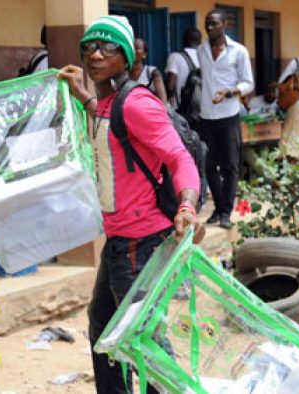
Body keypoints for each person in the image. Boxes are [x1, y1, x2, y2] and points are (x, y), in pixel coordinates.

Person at [58, 15, 205, 394]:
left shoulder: (137, 103)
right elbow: (105, 117)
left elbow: (179, 158)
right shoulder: (107, 103)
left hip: (142, 242)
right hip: (119, 242)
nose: (95, 54)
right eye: (89, 46)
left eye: (108, 47)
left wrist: (187, 206)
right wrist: (83, 95)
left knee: (145, 341)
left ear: (126, 58)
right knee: (105, 326)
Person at [198, 9, 254, 229]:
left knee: (230, 166)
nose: (209, 28)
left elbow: (248, 83)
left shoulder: (238, 51)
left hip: (229, 115)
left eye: (214, 24)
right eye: (207, 24)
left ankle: (226, 212)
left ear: (225, 24)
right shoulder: (201, 50)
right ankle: (218, 208)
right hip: (206, 115)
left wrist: (229, 92)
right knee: (209, 165)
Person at [165, 27, 202, 110]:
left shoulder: (175, 56)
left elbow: (171, 84)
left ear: (183, 40)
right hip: (201, 108)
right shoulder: (204, 57)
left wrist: (168, 100)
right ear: (200, 42)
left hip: (180, 107)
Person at [129, 38, 167, 103]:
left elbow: (163, 102)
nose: (133, 51)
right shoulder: (120, 73)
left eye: (137, 48)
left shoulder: (152, 73)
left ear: (144, 54)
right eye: (130, 48)